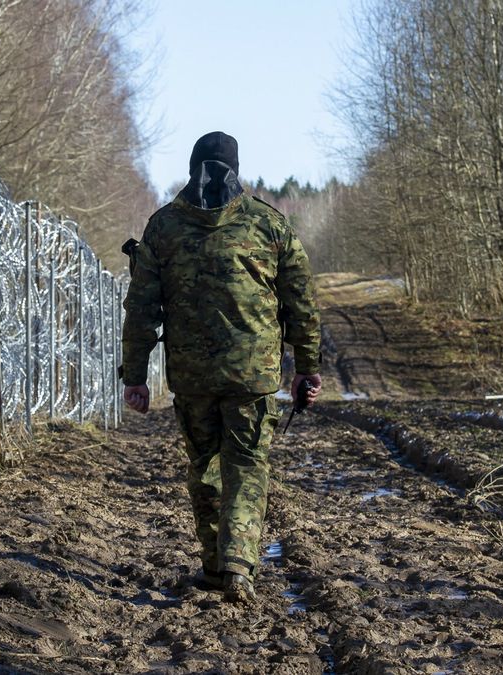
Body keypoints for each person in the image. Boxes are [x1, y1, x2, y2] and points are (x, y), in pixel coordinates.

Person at [120, 131, 322, 604]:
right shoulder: (269, 225)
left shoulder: (163, 227)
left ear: (193, 168)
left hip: (191, 376)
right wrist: (306, 367)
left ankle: (214, 567)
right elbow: (302, 305)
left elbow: (141, 308)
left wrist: (135, 376)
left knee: (205, 465)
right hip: (253, 374)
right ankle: (238, 566)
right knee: (247, 466)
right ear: (237, 168)